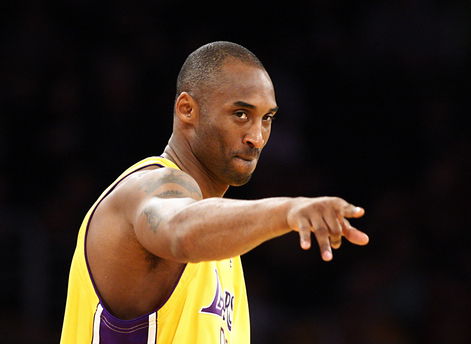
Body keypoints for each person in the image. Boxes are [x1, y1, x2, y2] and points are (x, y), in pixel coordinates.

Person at [60, 41, 369, 344]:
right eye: (241, 114)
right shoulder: (147, 187)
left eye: (267, 118)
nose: (257, 138)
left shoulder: (223, 243)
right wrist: (287, 211)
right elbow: (180, 229)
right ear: (186, 110)